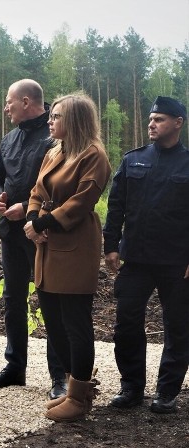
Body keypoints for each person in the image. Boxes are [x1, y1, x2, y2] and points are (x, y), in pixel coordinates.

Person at [23, 92, 111, 422]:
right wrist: (33, 220)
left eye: (56, 116)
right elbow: (36, 192)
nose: (49, 120)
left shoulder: (93, 155)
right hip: (47, 245)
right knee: (54, 322)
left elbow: (81, 201)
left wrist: (42, 223)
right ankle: (78, 385)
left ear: (74, 121)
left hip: (75, 244)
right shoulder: (54, 152)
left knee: (75, 321)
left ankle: (78, 398)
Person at [103, 96, 189, 414]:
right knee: (126, 324)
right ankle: (131, 388)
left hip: (176, 263)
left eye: (160, 119)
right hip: (136, 260)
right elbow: (116, 205)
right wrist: (111, 245)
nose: (152, 124)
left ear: (178, 123)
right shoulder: (134, 160)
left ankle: (167, 392)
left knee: (178, 327)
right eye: (151, 119)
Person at [0, 79, 67, 399]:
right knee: (13, 300)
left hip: (44, 233)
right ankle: (15, 367)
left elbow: (60, 186)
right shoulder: (8, 141)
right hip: (10, 233)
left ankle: (59, 376)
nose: (5, 108)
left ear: (27, 101)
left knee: (51, 300)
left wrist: (28, 209)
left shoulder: (55, 138)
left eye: (9, 102)